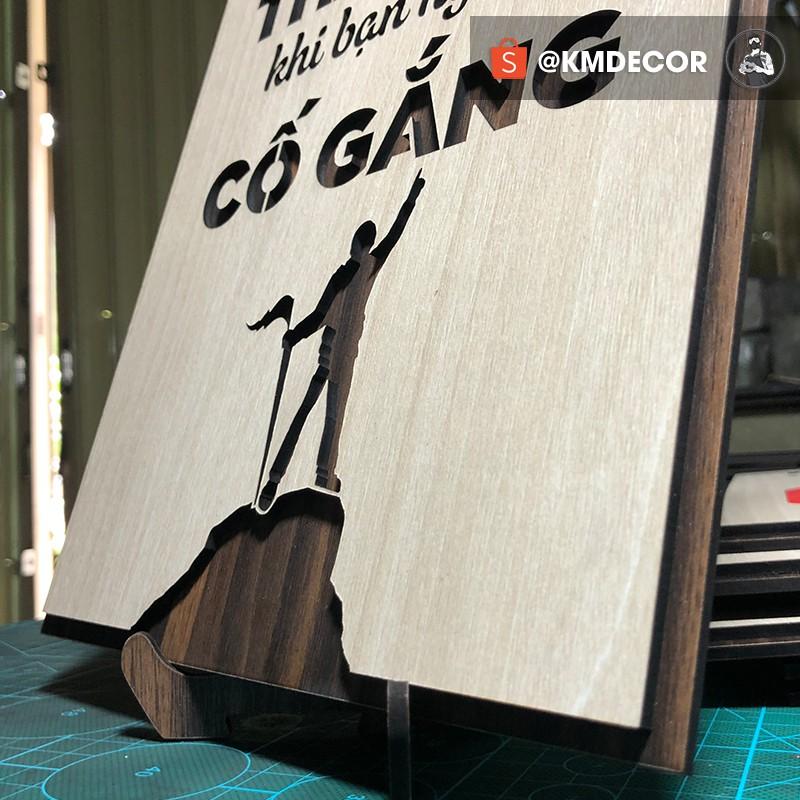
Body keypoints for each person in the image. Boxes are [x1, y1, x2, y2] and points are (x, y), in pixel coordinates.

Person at [252, 169, 426, 513]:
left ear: (359, 246)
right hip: (339, 356)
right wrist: (411, 196)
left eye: (357, 244)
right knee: (329, 418)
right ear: (367, 246)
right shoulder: (362, 268)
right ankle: (308, 477)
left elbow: (318, 316)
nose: (355, 248)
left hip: (334, 353)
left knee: (309, 414)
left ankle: (282, 479)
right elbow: (395, 232)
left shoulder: (349, 272)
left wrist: (295, 335)